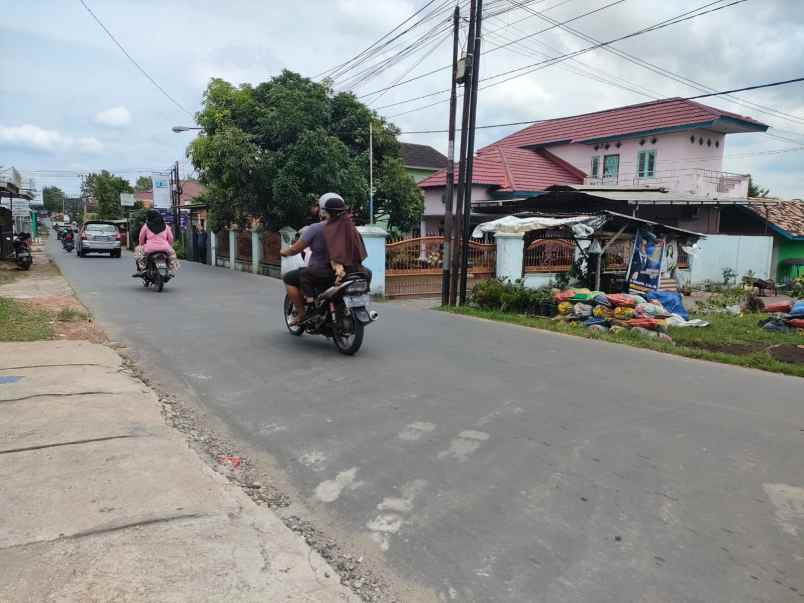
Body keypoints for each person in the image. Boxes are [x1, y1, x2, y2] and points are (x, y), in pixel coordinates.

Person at [280, 193, 368, 326]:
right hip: (349, 269)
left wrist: (284, 252)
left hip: (324, 271)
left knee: (289, 278)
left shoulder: (316, 228)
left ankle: (302, 313)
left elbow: (295, 249)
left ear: (324, 211)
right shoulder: (350, 227)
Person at [133, 210, 179, 277]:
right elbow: (171, 238)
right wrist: (169, 245)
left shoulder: (146, 226)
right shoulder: (166, 226)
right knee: (172, 256)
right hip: (165, 248)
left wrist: (141, 245)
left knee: (138, 251)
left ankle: (142, 269)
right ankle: (171, 270)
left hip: (150, 248)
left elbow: (141, 237)